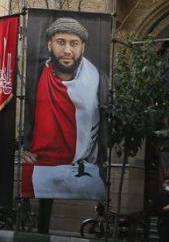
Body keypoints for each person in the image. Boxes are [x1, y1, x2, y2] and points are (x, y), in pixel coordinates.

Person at [21, 17, 107, 201]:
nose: (67, 50)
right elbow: (22, 115)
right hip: (38, 165)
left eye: (74, 43)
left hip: (82, 167)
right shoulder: (33, 75)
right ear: (49, 44)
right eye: (61, 42)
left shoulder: (99, 80)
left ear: (82, 47)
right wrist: (21, 147)